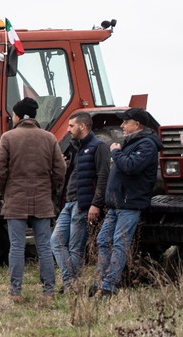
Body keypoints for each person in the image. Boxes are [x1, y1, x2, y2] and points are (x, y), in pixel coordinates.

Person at [0, 98, 66, 303]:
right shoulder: (49, 138)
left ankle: (15, 292)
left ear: (17, 115)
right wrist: (50, 189)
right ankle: (48, 292)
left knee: (16, 246)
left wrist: (5, 191)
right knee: (44, 246)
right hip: (42, 199)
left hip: (15, 199)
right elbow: (60, 170)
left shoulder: (8, 137)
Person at [92, 107, 160, 298]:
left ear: (136, 124)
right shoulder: (132, 143)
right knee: (103, 240)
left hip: (129, 204)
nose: (122, 125)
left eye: (125, 122)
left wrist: (116, 153)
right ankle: (100, 281)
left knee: (120, 243)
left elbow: (131, 166)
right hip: (117, 203)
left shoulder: (146, 145)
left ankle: (109, 286)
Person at [52, 112, 110, 292]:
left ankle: (70, 285)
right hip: (68, 202)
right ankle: (71, 283)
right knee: (55, 241)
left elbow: (103, 176)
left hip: (83, 204)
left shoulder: (99, 146)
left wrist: (96, 204)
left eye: (71, 126)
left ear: (82, 126)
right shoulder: (74, 148)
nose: (68, 130)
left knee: (76, 247)